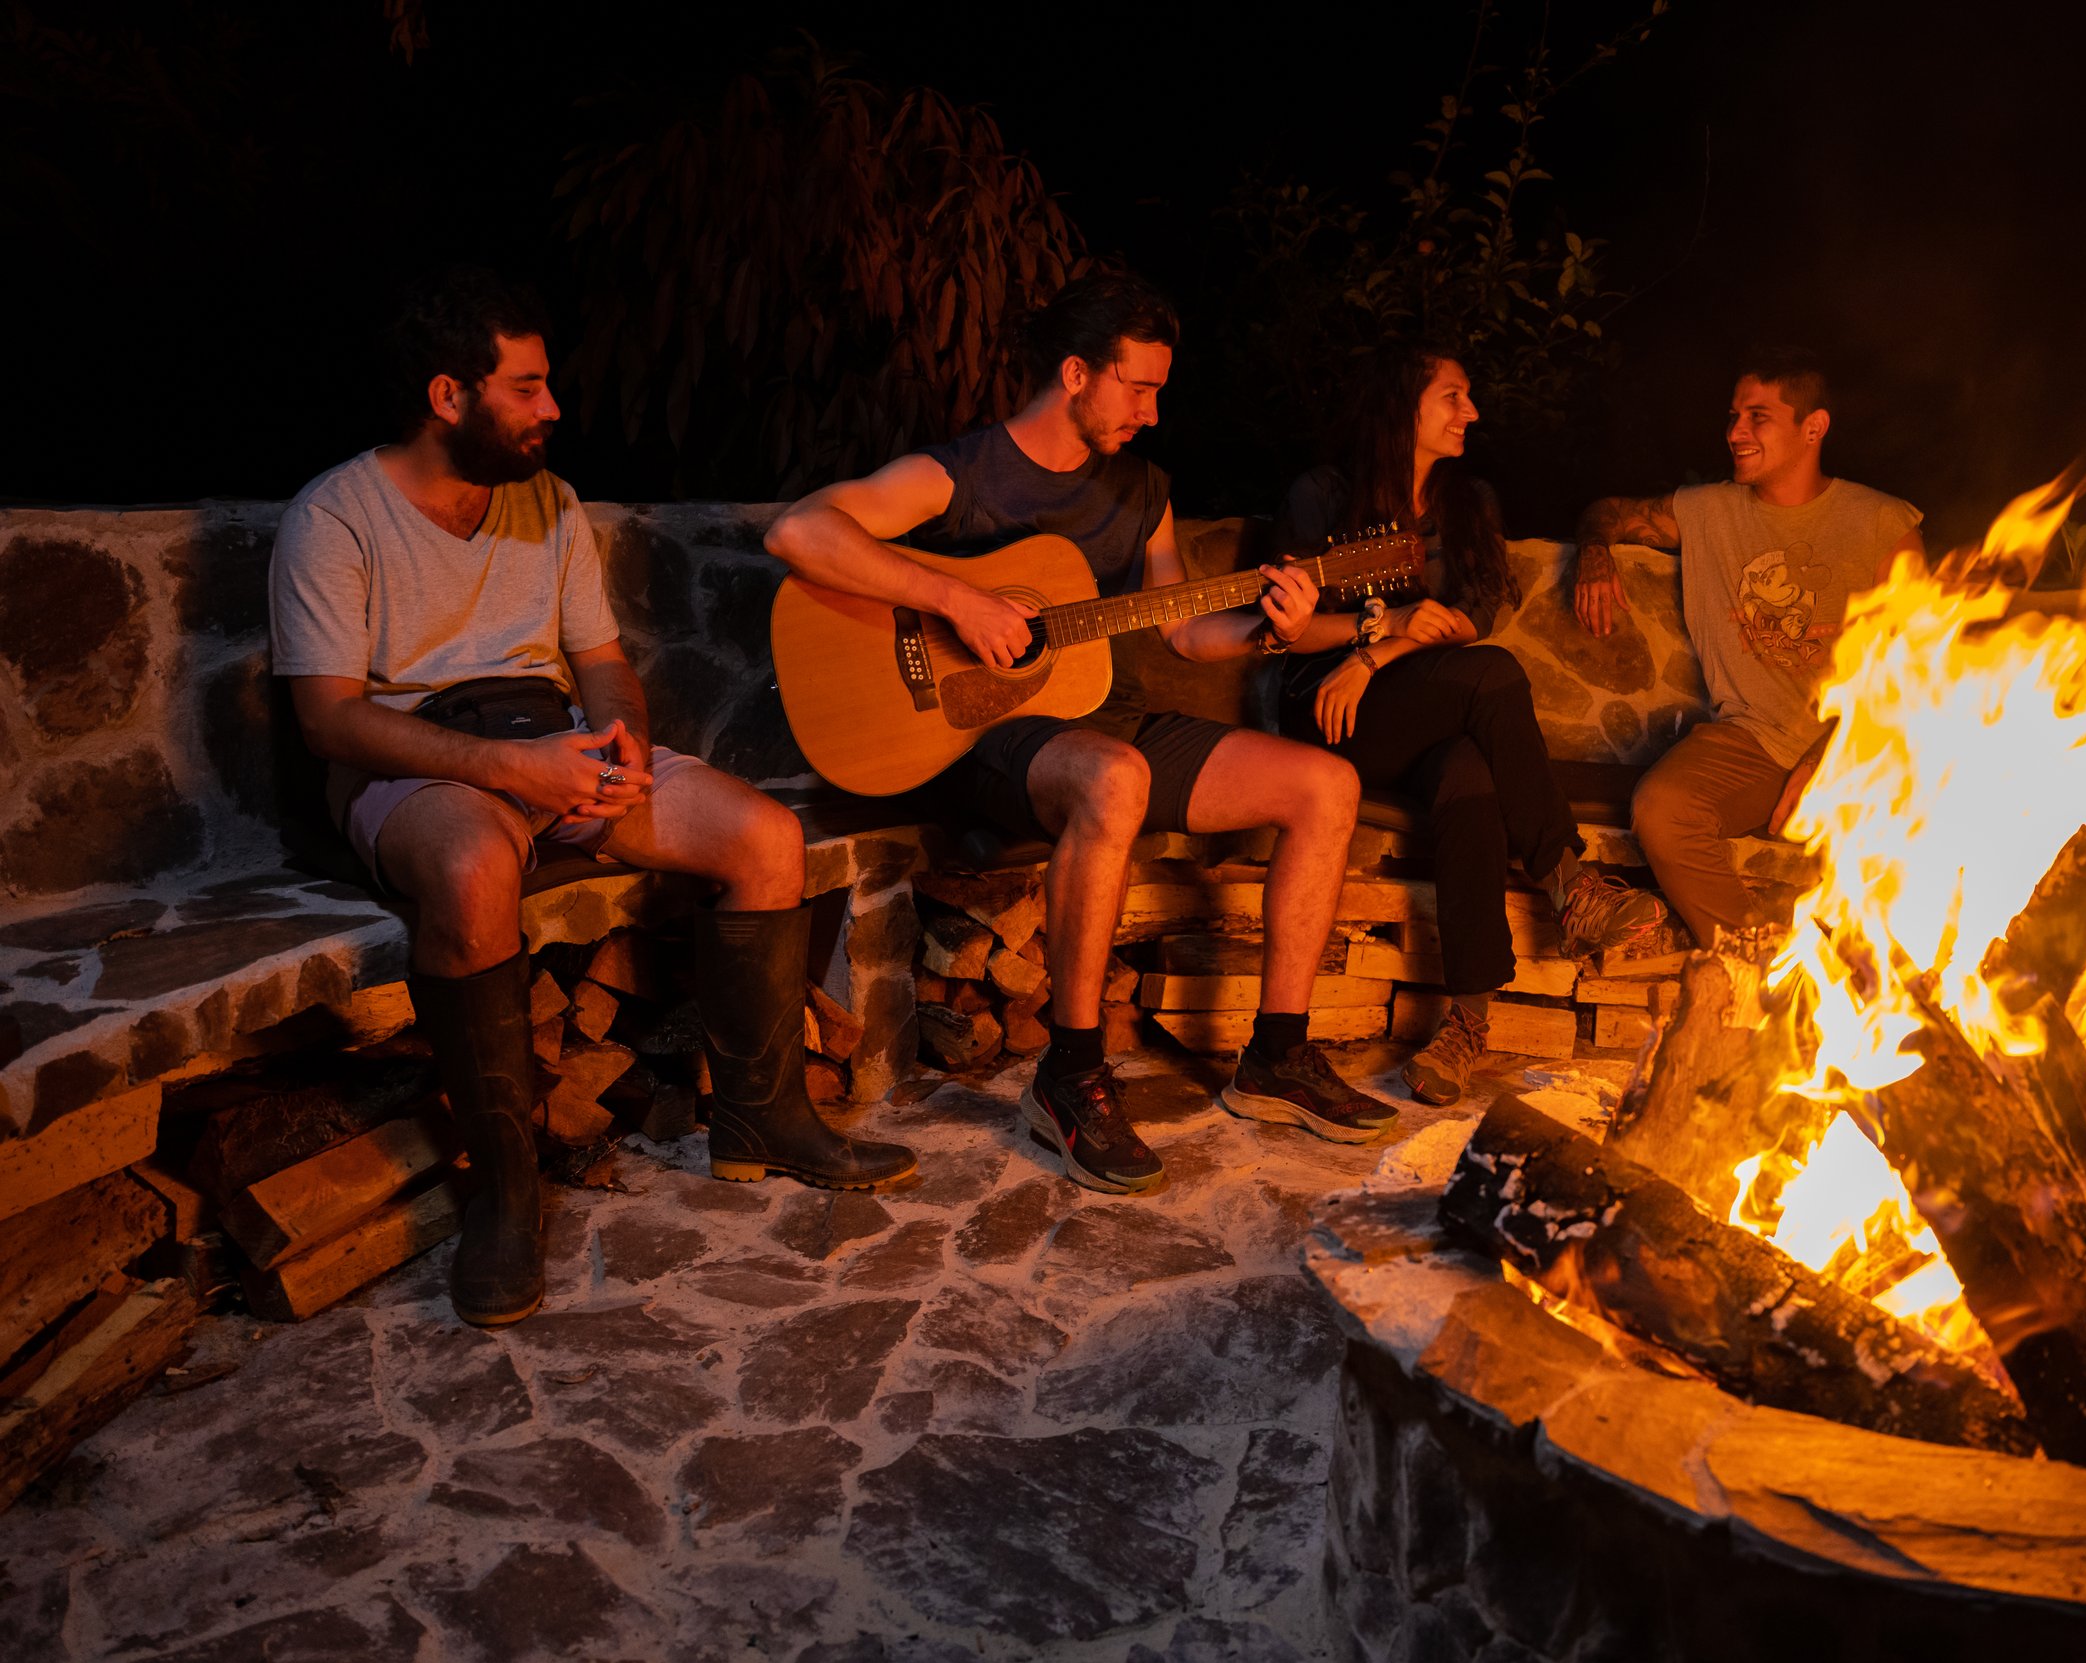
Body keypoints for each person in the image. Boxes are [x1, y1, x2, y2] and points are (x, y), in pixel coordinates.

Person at [270, 268, 916, 1329]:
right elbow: (329, 720)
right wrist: (510, 773)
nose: (553, 408)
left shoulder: (550, 503)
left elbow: (602, 659)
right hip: (415, 764)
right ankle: (505, 1194)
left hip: (555, 743)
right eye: (526, 387)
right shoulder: (336, 518)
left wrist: (623, 736)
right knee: (478, 869)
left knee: (764, 836)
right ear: (448, 396)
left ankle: (763, 1119)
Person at [765, 271, 1394, 1196]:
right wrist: (955, 598)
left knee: (1325, 787)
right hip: (984, 733)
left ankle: (1277, 1056)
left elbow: (1185, 625)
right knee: (1116, 780)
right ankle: (1068, 1074)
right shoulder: (964, 471)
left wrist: (1273, 623)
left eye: (1158, 391)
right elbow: (798, 532)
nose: (1150, 409)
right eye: (1136, 387)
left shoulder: (1143, 489)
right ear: (1075, 373)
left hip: (1106, 716)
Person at [1276, 348, 1670, 1103]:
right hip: (1332, 706)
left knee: (1470, 774)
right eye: (1454, 396)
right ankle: (1569, 884)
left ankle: (1464, 1027)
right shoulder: (1322, 495)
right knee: (1496, 677)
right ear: (1405, 406)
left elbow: (1474, 618)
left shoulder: (1469, 504)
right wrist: (1367, 644)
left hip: (1417, 702)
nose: (1472, 412)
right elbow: (1284, 629)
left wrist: (1383, 650)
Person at [1573, 349, 1924, 948]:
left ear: (1812, 428)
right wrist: (1595, 554)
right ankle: (1755, 966)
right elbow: (1608, 512)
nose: (1734, 432)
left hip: (1857, 742)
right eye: (1734, 416)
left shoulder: (1882, 526)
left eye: (1757, 417)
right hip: (1751, 741)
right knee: (1661, 806)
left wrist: (1827, 760)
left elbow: (1915, 670)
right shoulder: (1707, 511)